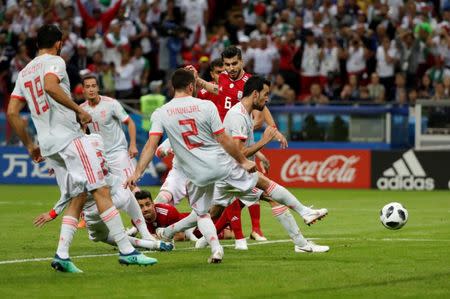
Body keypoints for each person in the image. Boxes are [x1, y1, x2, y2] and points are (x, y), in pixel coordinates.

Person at [7, 24, 155, 272]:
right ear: (58, 43)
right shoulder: (55, 61)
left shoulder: (23, 73)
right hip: (69, 139)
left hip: (49, 144)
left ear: (37, 45)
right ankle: (127, 251)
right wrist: (80, 110)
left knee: (79, 194)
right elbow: (51, 86)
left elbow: (12, 112)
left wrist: (31, 145)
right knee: (100, 189)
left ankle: (62, 255)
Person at [126, 68, 258, 263]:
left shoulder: (162, 112)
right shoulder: (207, 106)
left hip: (195, 173)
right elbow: (223, 139)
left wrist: (137, 172)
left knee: (202, 213)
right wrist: (243, 161)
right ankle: (300, 212)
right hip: (220, 165)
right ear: (191, 86)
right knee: (262, 189)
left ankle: (215, 249)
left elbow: (151, 145)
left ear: (172, 88)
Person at [197, 76, 329, 253]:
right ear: (255, 93)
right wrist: (264, 141)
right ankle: (304, 221)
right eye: (265, 94)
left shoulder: (244, 113)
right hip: (233, 172)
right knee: (269, 190)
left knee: (213, 212)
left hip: (228, 173)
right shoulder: (237, 116)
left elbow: (240, 149)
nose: (267, 99)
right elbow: (239, 153)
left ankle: (171, 232)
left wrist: (259, 152)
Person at [33, 134, 173, 252]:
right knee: (127, 192)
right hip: (115, 190)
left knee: (101, 236)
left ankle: (149, 244)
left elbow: (68, 193)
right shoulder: (97, 139)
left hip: (94, 207)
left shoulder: (69, 160)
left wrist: (52, 213)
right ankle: (146, 235)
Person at [80, 75, 138, 182]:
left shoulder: (111, 104)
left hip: (117, 153)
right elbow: (81, 133)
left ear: (98, 88)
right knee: (101, 191)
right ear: (83, 90)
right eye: (87, 87)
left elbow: (130, 122)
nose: (91, 89)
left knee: (130, 185)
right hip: (99, 156)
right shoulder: (81, 109)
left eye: (93, 86)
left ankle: (142, 199)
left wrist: (133, 145)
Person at [133, 190, 197, 242]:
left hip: (198, 226)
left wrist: (158, 238)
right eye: (140, 206)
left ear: (153, 204)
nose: (145, 209)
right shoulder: (136, 220)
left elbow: (180, 236)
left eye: (148, 205)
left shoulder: (168, 212)